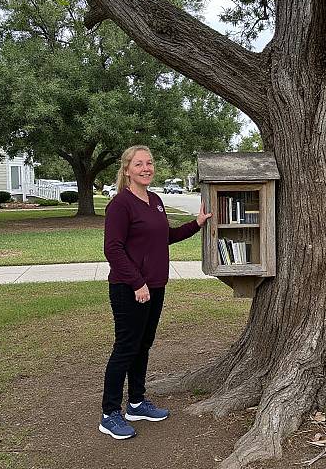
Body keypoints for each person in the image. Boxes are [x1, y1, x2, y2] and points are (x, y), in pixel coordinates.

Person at [99, 145, 211, 440]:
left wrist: (196, 224)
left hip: (155, 286)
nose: (146, 168)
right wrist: (137, 283)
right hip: (129, 288)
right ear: (127, 170)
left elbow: (165, 236)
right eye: (139, 164)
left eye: (149, 163)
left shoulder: (155, 200)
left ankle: (136, 402)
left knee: (142, 346)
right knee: (125, 347)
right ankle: (109, 413)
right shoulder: (120, 204)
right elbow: (112, 248)